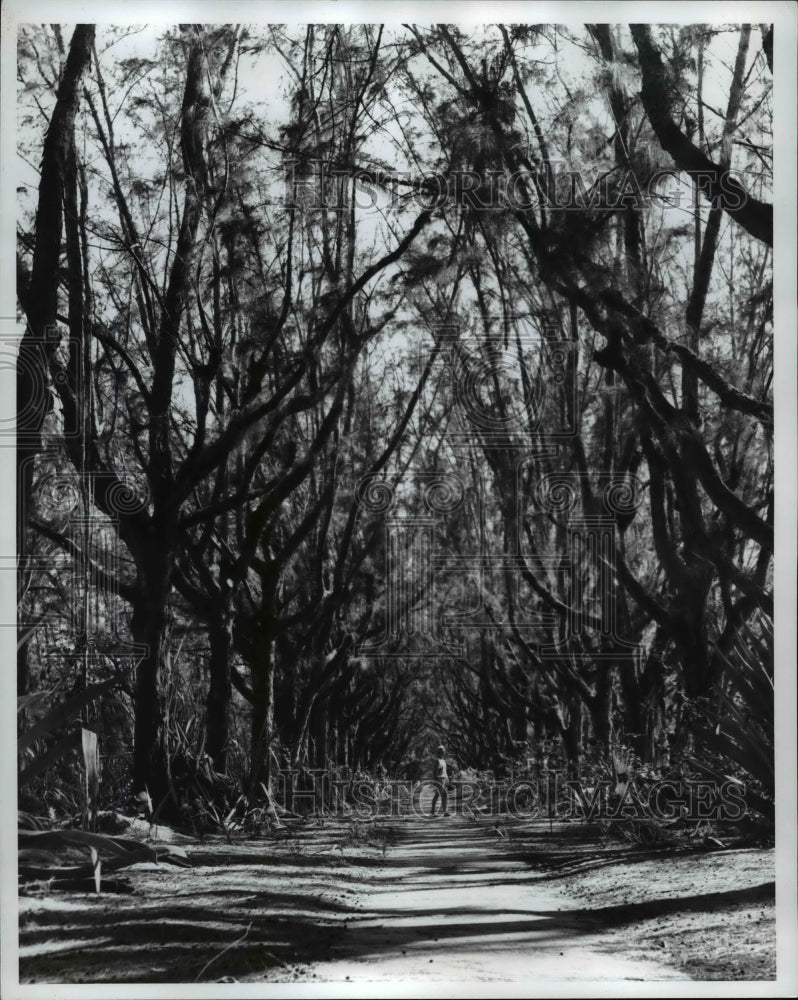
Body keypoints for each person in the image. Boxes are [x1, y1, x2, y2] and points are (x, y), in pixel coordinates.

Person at [430, 744, 451, 817]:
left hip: (445, 778)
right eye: (441, 751)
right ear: (438, 752)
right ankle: (432, 812)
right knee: (437, 794)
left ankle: (445, 811)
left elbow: (445, 771)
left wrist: (447, 779)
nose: (443, 752)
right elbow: (434, 772)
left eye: (443, 751)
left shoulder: (443, 760)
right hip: (439, 779)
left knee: (445, 795)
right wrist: (435, 781)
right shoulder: (437, 761)